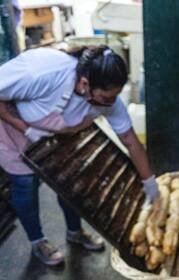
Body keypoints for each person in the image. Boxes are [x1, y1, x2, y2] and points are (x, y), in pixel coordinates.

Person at [0, 45, 159, 266]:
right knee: (25, 185)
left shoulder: (106, 100)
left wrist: (149, 181)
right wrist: (24, 129)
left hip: (59, 135)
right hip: (14, 131)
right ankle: (38, 242)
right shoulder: (42, 72)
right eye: (106, 97)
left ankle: (75, 232)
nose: (111, 104)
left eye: (115, 97)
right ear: (85, 84)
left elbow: (131, 141)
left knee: (70, 182)